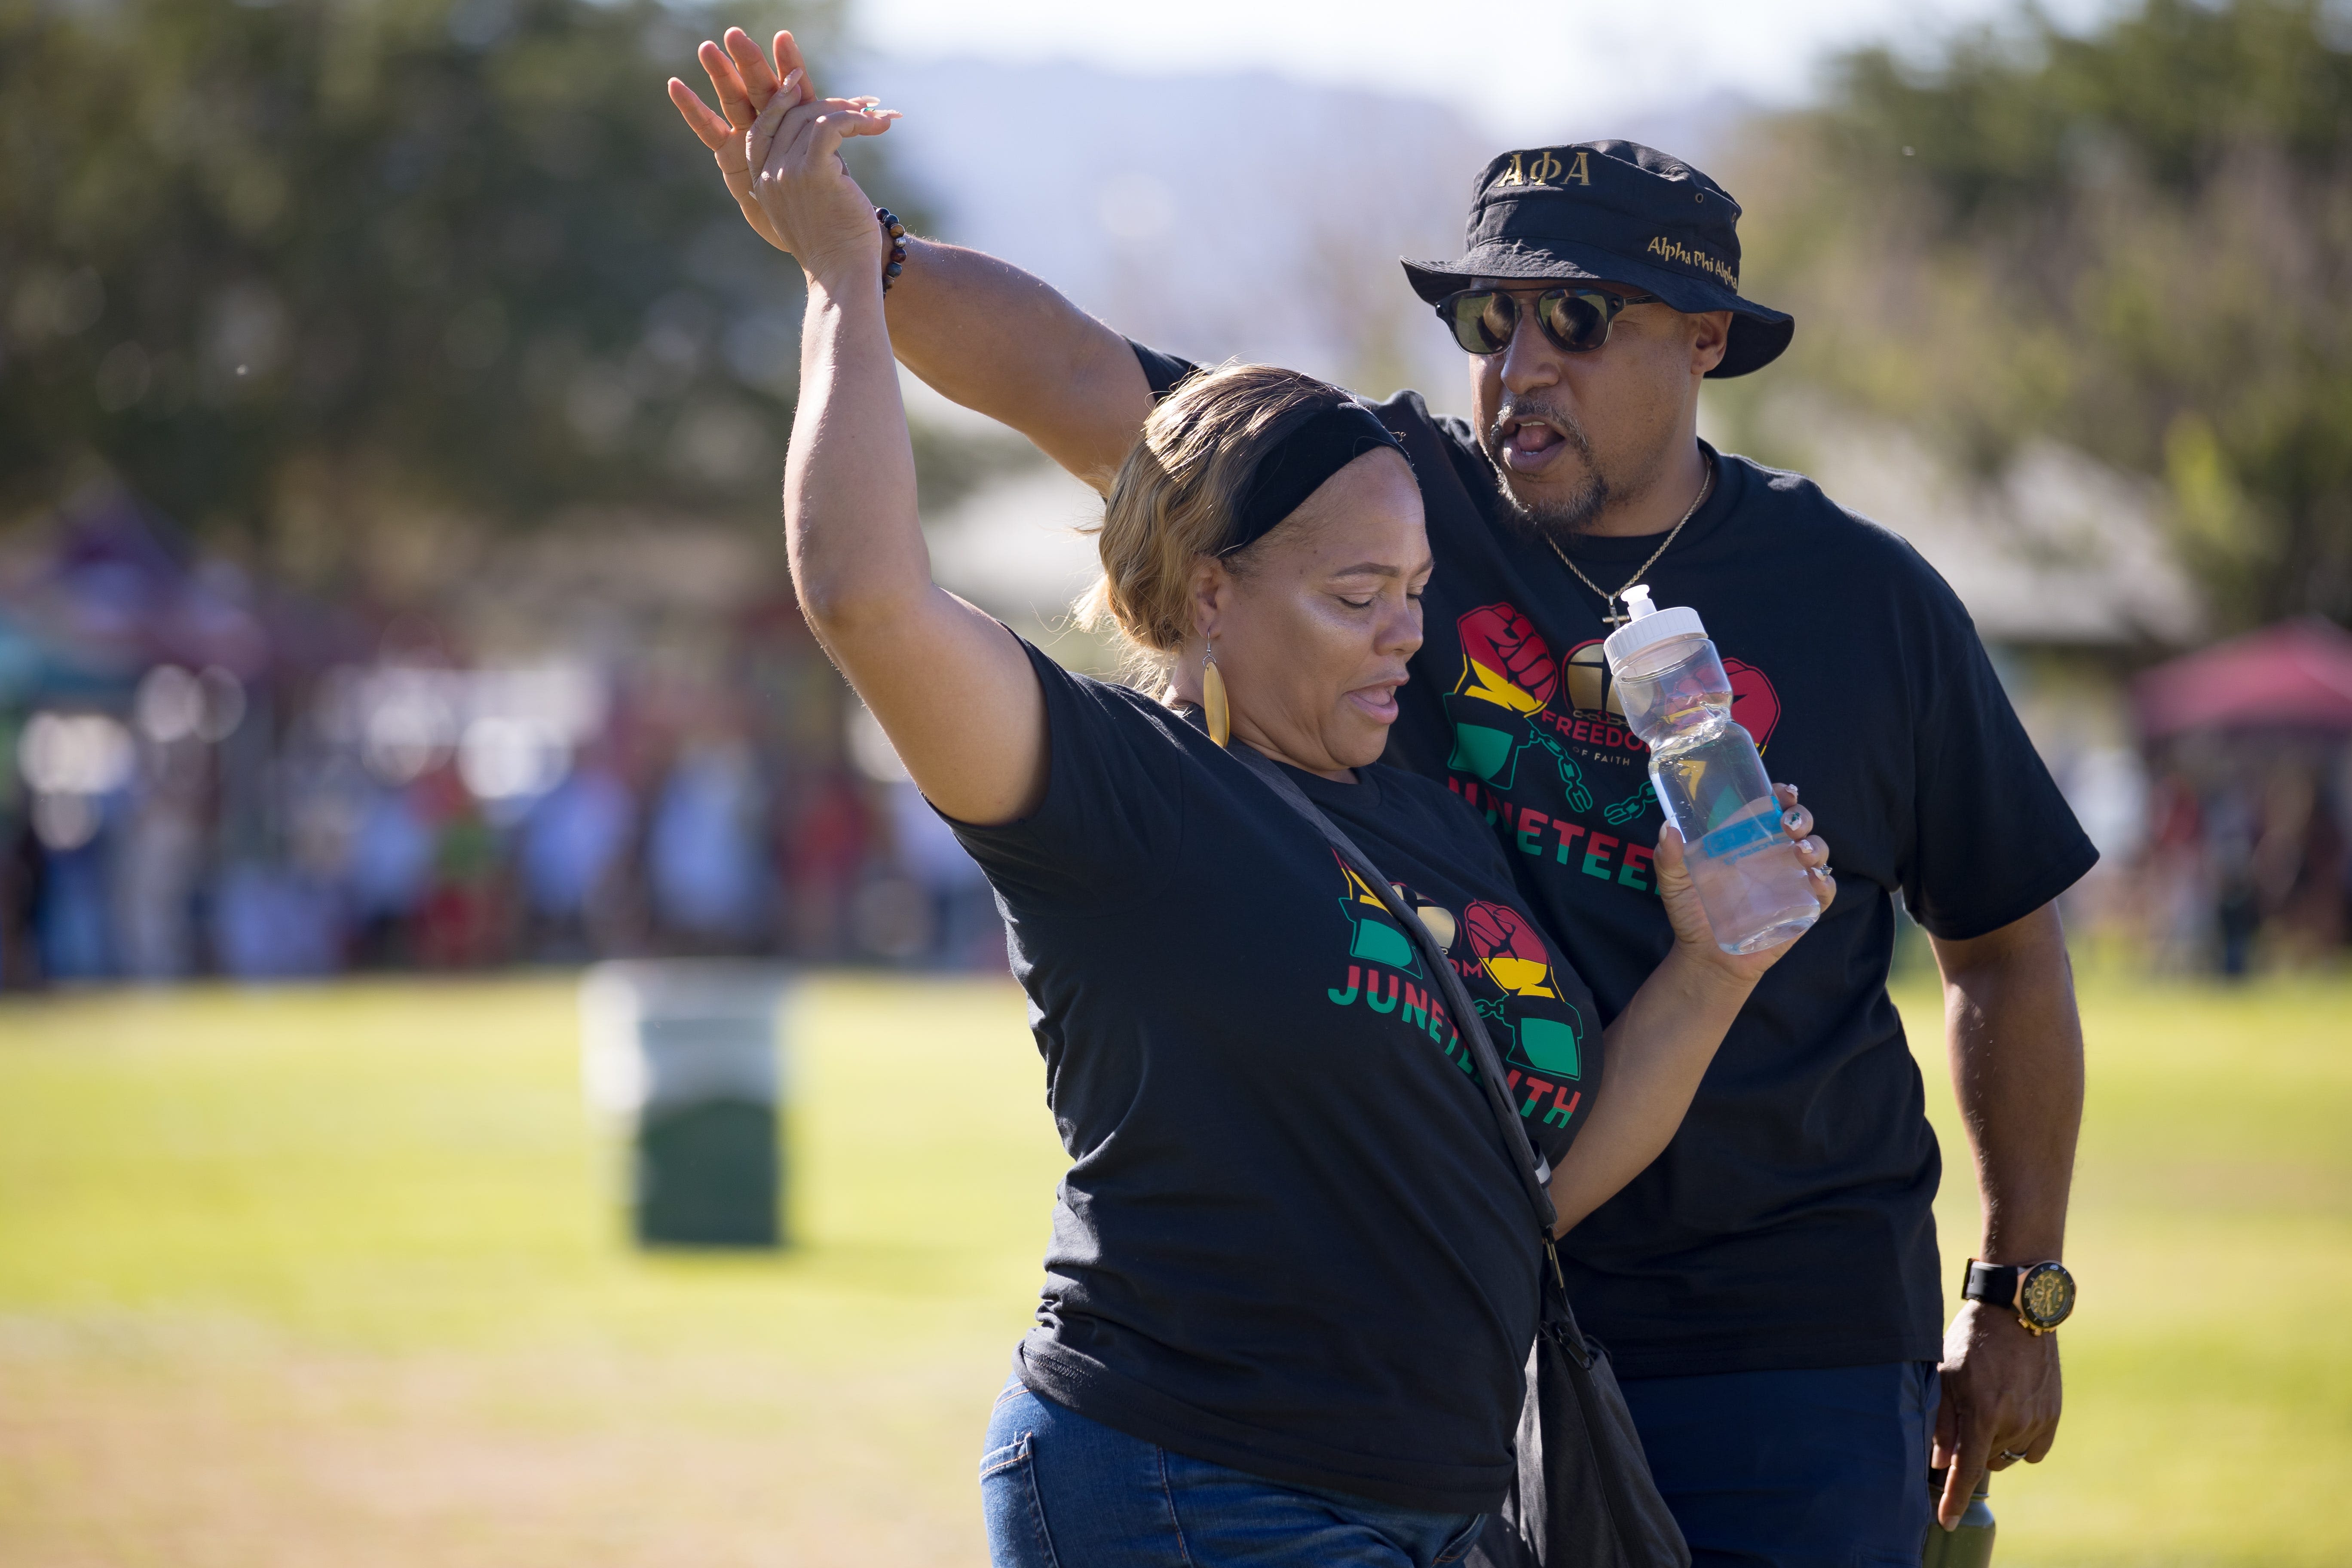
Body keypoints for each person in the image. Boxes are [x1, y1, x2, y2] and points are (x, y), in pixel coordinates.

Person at [670, 34, 2099, 1559]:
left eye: (1575, 317)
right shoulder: (1366, 497)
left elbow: (2007, 947)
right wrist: (856, 244)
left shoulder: (1866, 603)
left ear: (1703, 340)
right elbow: (1077, 379)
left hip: (1789, 1327)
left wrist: (2018, 1287)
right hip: (1470, 1331)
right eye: (1489, 316)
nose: (1518, 361)